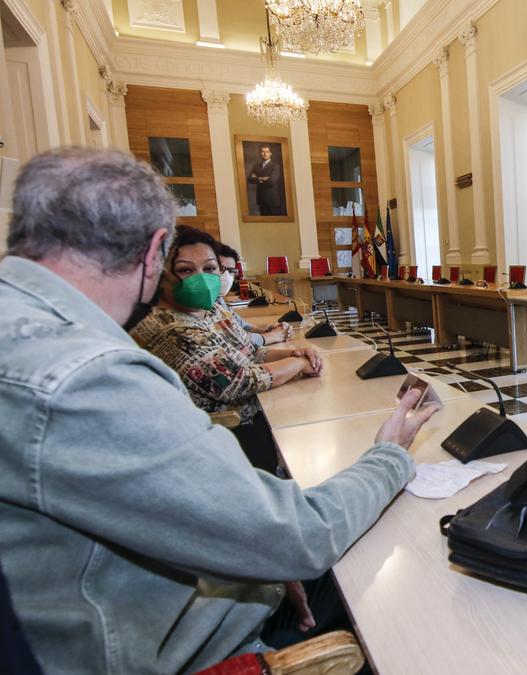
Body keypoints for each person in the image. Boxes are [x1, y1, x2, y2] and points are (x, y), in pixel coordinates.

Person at [0, 147, 438, 672]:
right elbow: (298, 534)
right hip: (187, 650)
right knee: (406, 600)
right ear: (156, 253)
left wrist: (251, 562)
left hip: (156, 600)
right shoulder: (85, 374)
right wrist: (388, 456)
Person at [131, 226, 319, 471]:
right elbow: (236, 382)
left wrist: (293, 353)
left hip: (256, 415)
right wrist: (300, 363)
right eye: (185, 270)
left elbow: (247, 352)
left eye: (209, 268)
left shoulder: (209, 308)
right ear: (159, 274)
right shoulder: (170, 327)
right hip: (222, 439)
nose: (201, 277)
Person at [215, 242, 293, 347]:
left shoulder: (218, 300)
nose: (226, 276)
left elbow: (243, 326)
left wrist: (267, 331)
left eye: (231, 271)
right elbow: (234, 341)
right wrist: (272, 336)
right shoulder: (203, 306)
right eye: (220, 269)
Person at [248, 145, 284, 216]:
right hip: (261, 200)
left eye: (267, 152)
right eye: (263, 152)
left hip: (272, 201)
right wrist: (261, 178)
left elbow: (272, 181)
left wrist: (257, 178)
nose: (265, 154)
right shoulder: (256, 166)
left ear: (270, 153)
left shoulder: (276, 166)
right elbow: (250, 179)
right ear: (260, 153)